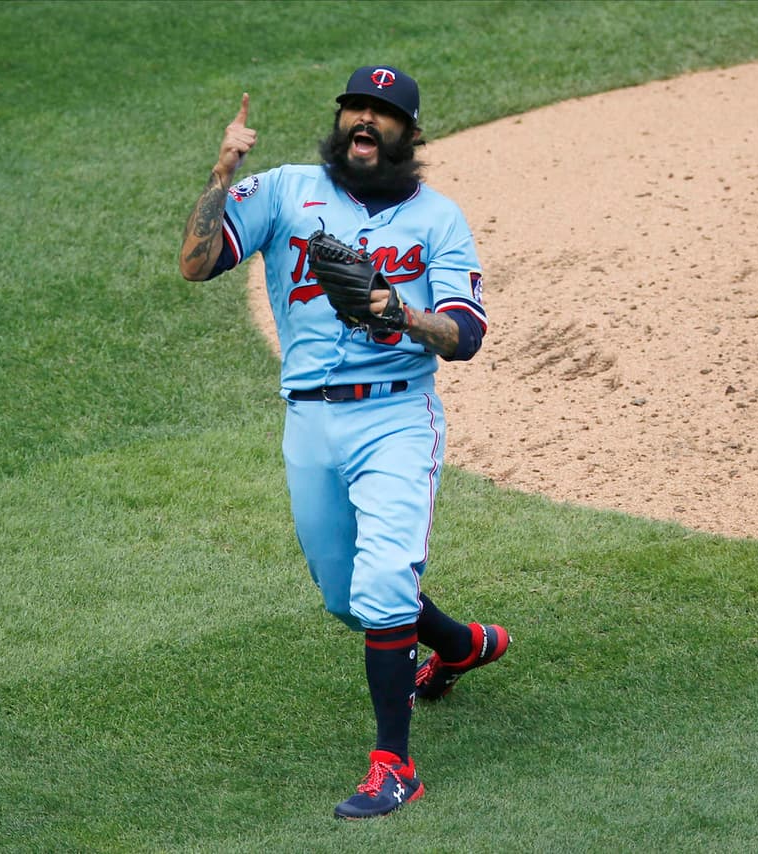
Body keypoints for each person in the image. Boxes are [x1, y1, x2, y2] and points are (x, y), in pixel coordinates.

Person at [178, 65, 510, 820]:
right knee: (346, 599)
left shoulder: (439, 220)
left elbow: (465, 335)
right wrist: (221, 174)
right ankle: (458, 644)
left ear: (409, 133)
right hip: (309, 422)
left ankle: (394, 766)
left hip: (396, 417)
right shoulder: (284, 191)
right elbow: (197, 264)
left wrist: (400, 313)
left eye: (382, 112)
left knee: (384, 582)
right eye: (355, 107)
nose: (365, 119)